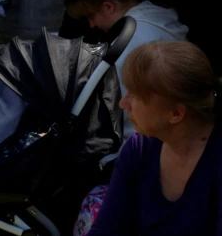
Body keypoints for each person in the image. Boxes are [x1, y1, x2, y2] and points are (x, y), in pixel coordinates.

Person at [85, 40, 222, 235]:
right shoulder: (140, 148)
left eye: (135, 96)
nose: (124, 103)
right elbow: (106, 229)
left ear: (175, 113)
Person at [64, 0, 188, 142]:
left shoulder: (129, 43)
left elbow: (120, 108)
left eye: (90, 16)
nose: (92, 25)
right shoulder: (162, 20)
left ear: (108, 7)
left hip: (143, 139)